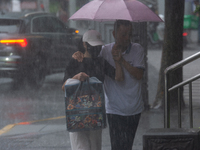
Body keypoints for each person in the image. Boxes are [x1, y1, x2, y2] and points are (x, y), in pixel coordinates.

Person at [72, 20, 145, 150]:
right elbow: (91, 60)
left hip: (134, 107)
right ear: (114, 34)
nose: (127, 38)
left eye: (129, 34)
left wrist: (121, 60)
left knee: (127, 145)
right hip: (114, 108)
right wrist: (79, 55)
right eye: (123, 34)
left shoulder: (137, 49)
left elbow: (138, 74)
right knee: (117, 145)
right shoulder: (105, 50)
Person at [62, 30, 124, 150]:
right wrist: (76, 77)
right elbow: (64, 86)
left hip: (95, 113)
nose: (96, 48)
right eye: (93, 45)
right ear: (85, 44)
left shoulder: (101, 62)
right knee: (81, 146)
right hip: (77, 114)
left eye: (99, 46)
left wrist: (118, 60)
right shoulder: (75, 61)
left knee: (95, 146)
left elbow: (119, 77)